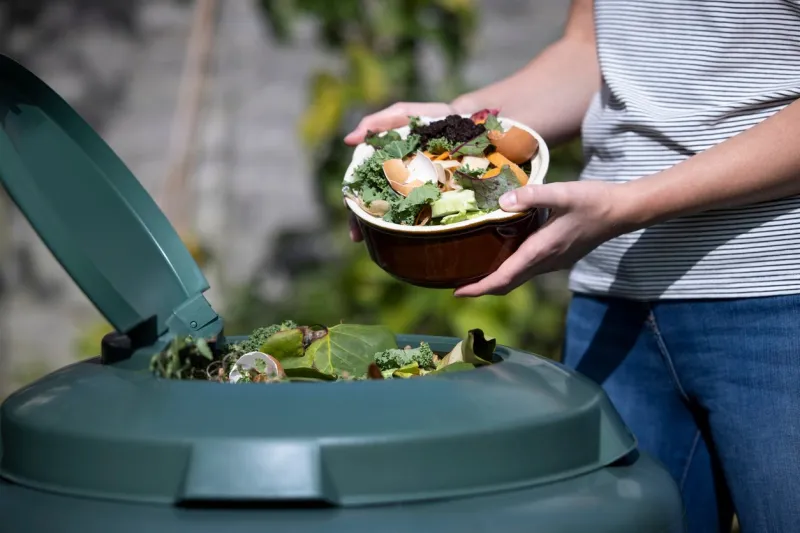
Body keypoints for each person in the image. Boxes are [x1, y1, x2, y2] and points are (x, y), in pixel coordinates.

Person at [343, 1, 800, 532]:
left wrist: (631, 203)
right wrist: (452, 126)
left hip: (775, 301)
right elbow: (593, 51)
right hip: (614, 306)